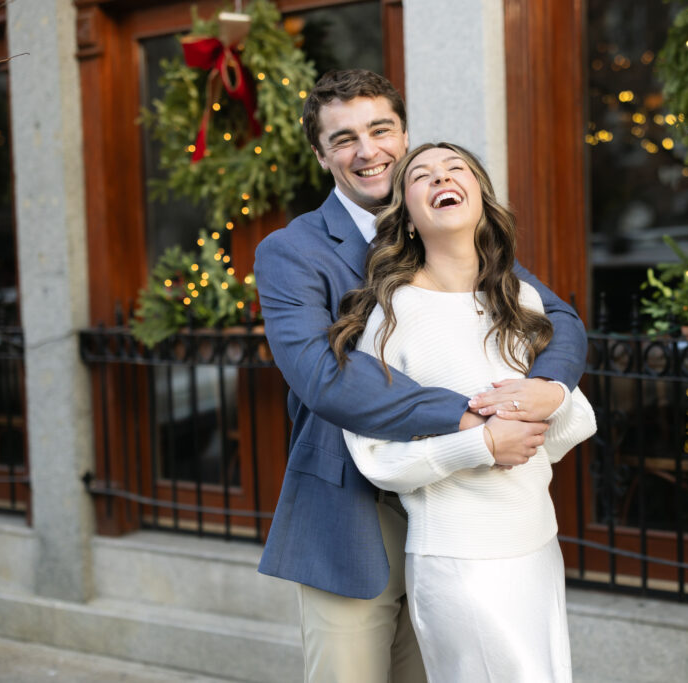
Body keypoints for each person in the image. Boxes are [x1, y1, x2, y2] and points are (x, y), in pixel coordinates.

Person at [253, 70, 588, 682]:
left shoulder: (448, 224)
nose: (367, 150)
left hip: (463, 516)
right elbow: (323, 377)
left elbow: (557, 317)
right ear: (321, 153)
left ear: (403, 135)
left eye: (381, 129)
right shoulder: (292, 250)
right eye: (344, 138)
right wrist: (470, 421)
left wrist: (551, 388)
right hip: (357, 509)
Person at [329, 142, 596, 682]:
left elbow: (570, 428)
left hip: (537, 543)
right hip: (457, 556)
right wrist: (481, 444)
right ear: (406, 216)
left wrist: (549, 396)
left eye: (456, 169)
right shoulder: (393, 315)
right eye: (421, 175)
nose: (441, 178)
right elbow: (375, 456)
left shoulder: (520, 299)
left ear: (480, 195)